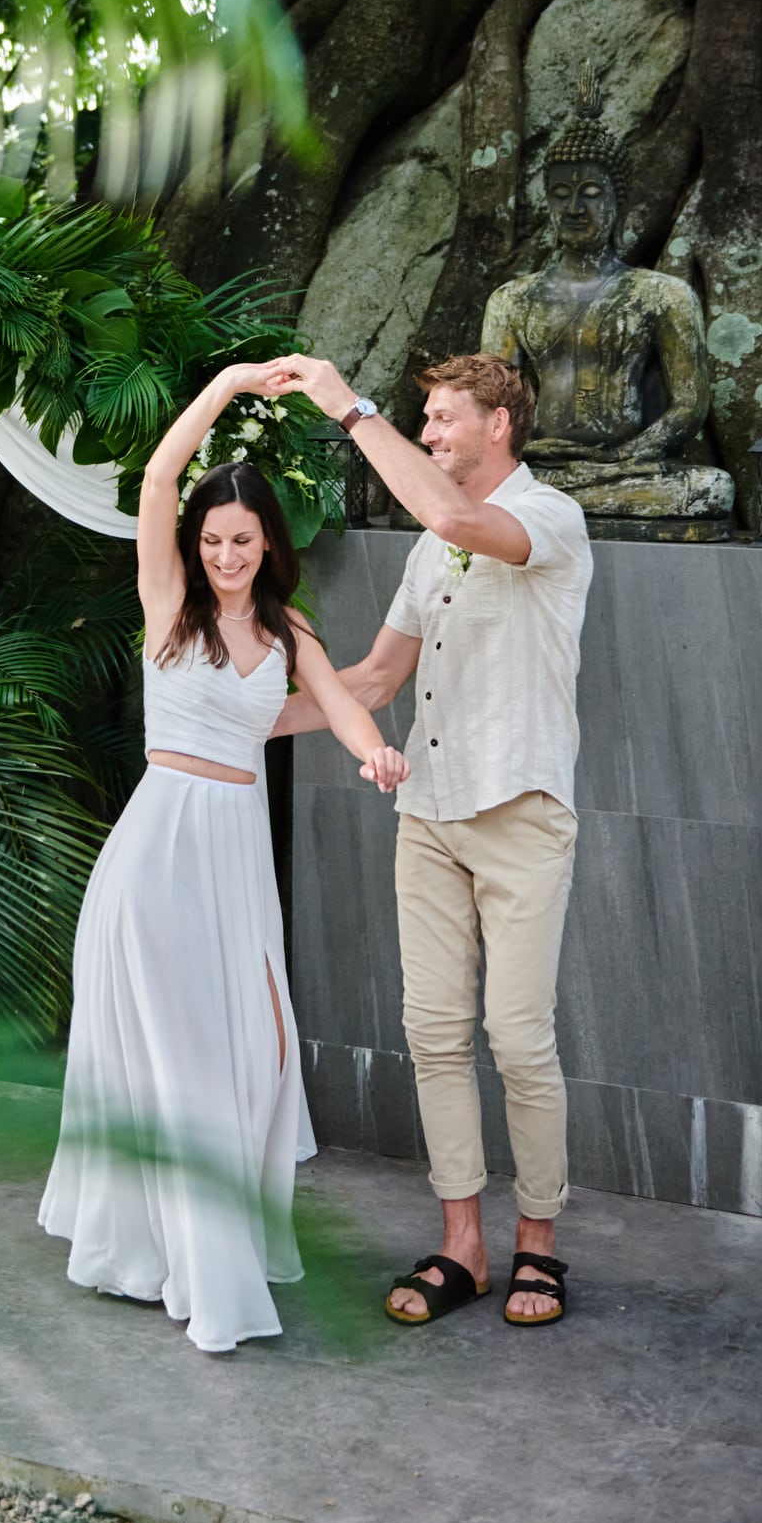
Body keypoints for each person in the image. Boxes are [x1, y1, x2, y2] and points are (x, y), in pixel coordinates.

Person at [38, 362, 409, 1354]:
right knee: (189, 1070)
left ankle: (193, 1245)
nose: (226, 554)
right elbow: (158, 482)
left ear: (267, 544)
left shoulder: (287, 630)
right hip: (157, 861)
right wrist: (233, 384)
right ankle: (206, 1283)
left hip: (236, 867)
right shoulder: (169, 607)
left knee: (258, 1059)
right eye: (213, 540)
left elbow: (337, 701)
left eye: (242, 539)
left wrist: (374, 750)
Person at [264, 349, 592, 1329]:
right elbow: (368, 683)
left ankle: (540, 1244)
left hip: (523, 817)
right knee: (433, 1034)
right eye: (426, 420)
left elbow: (453, 517)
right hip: (429, 820)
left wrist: (347, 405)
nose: (433, 432)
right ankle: (464, 1244)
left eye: (446, 418)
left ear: (501, 424)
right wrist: (222, 725)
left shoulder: (549, 520)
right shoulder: (428, 549)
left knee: (520, 1040)